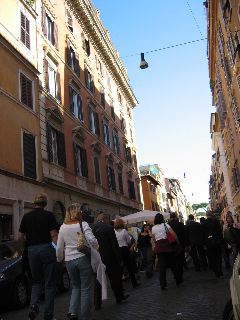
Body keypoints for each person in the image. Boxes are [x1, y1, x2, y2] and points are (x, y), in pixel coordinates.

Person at [18, 193, 58, 320]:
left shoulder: (26, 216)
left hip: (32, 250)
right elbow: (53, 235)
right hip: (46, 248)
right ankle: (48, 315)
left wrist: (28, 245)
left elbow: (20, 237)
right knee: (50, 283)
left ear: (34, 203)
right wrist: (57, 250)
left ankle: (34, 306)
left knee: (36, 281)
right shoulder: (49, 215)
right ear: (44, 204)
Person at [56, 203, 98, 320]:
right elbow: (92, 240)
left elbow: (59, 247)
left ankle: (73, 312)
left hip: (69, 261)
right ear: (77, 213)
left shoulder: (63, 227)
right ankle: (85, 317)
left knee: (75, 286)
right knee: (85, 288)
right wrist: (96, 248)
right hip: (82, 258)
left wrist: (60, 259)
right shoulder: (83, 224)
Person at [92, 213, 129, 306]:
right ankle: (119, 297)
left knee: (98, 279)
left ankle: (97, 303)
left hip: (97, 258)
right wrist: (119, 258)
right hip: (110, 258)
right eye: (108, 219)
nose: (109, 221)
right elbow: (114, 245)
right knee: (115, 278)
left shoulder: (92, 228)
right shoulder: (108, 228)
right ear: (105, 219)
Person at [152, 213, 181, 290]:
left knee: (162, 267)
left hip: (159, 248)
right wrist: (177, 242)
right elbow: (173, 234)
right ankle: (178, 279)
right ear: (162, 219)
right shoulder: (166, 225)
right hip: (167, 247)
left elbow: (154, 239)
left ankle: (163, 284)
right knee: (173, 265)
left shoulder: (153, 228)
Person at [114, 219, 140, 288]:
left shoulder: (114, 232)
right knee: (129, 267)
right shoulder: (124, 231)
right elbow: (128, 241)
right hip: (125, 249)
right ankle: (134, 283)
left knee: (120, 268)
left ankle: (120, 287)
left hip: (118, 250)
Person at [203, 211, 223, 277]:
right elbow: (220, 232)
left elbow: (203, 235)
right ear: (211, 214)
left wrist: (204, 244)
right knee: (218, 257)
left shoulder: (204, 223)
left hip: (209, 243)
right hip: (217, 242)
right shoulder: (216, 221)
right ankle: (220, 270)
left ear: (206, 215)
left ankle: (216, 272)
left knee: (212, 258)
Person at [168, 212, 187, 281]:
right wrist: (185, 244)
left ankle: (176, 275)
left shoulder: (167, 225)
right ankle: (180, 275)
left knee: (174, 262)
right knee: (180, 261)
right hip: (180, 245)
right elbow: (184, 235)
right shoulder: (180, 224)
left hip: (171, 246)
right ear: (176, 217)